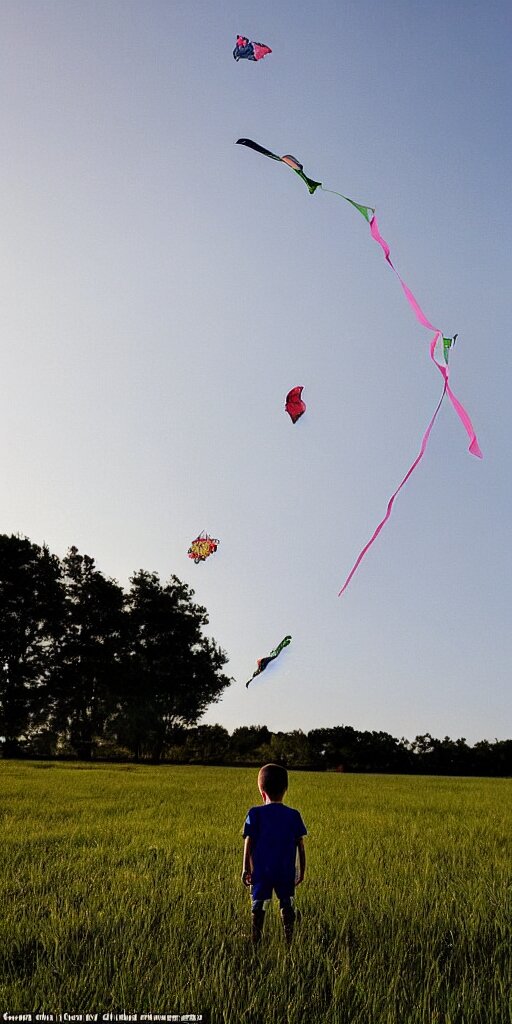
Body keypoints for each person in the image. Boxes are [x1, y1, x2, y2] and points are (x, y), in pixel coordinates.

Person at [241, 763, 307, 945]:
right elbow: (300, 845)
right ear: (285, 789)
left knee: (259, 905)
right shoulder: (294, 815)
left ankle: (256, 939)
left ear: (262, 792)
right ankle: (289, 939)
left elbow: (248, 841)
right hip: (285, 871)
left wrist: (246, 868)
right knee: (287, 903)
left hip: (261, 872)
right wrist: (302, 871)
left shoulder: (254, 814)